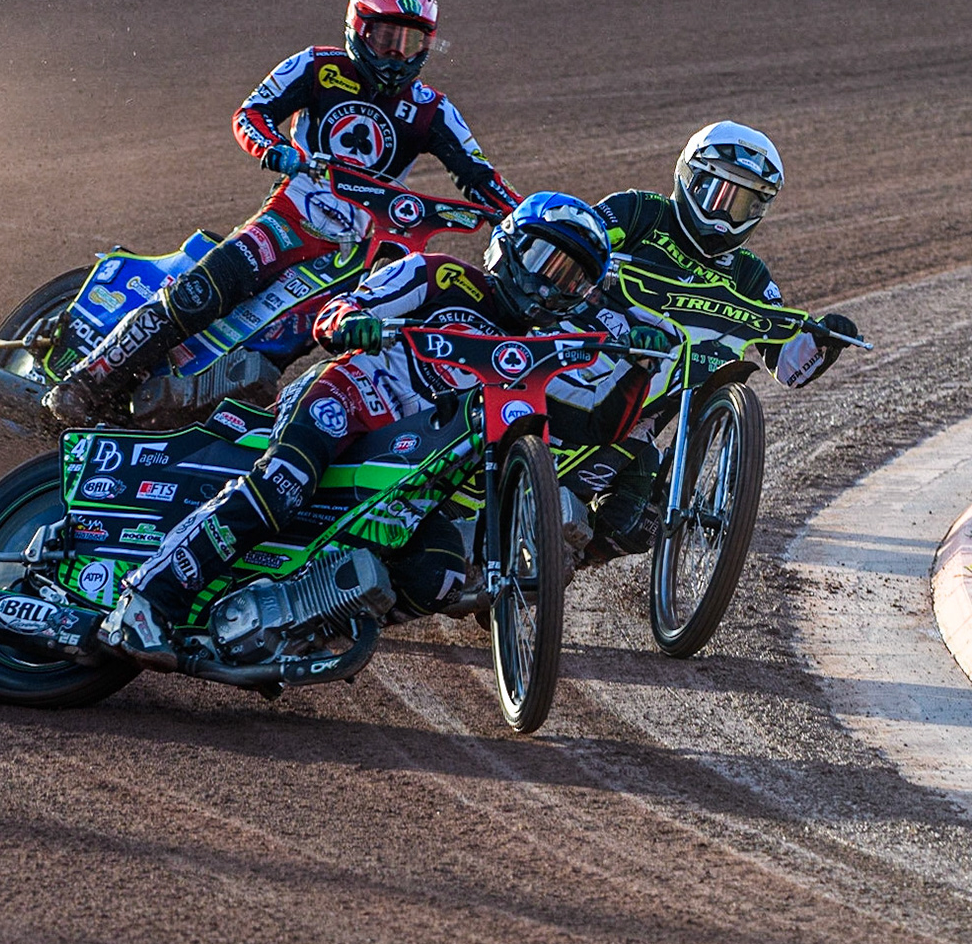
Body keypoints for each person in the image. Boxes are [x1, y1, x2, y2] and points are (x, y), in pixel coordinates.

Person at [100, 192, 665, 664]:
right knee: (284, 483)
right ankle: (150, 597)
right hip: (347, 400)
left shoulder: (535, 356)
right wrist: (357, 324)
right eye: (545, 259)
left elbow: (596, 424)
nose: (549, 284)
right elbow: (337, 312)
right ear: (510, 244)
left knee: (439, 575)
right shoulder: (440, 275)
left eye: (570, 279)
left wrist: (639, 368)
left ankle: (310, 619)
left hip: (411, 470)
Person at [43, 0, 523, 426]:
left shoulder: (431, 110)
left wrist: (528, 223)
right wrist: (275, 151)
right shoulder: (317, 66)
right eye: (385, 38)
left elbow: (481, 177)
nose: (396, 54)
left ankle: (183, 418)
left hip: (350, 253)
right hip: (288, 216)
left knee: (279, 351)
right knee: (200, 293)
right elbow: (251, 114)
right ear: (358, 28)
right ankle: (82, 384)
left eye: (409, 41)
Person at [547, 121, 857, 562]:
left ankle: (554, 569)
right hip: (569, 369)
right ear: (687, 178)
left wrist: (824, 342)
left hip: (637, 417)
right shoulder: (640, 212)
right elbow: (575, 245)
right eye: (716, 192)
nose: (725, 213)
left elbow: (785, 362)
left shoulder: (750, 274)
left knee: (636, 526)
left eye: (743, 202)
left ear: (760, 210)